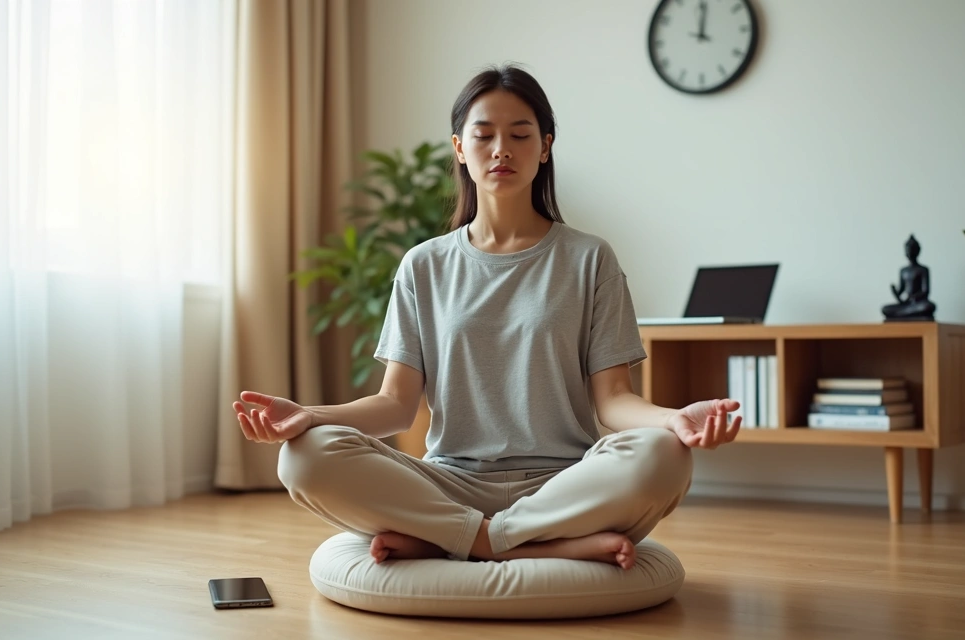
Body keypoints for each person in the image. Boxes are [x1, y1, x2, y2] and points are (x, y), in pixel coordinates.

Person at [232, 64, 741, 571]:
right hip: (448, 483)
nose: (502, 149)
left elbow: (613, 403)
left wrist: (673, 420)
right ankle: (520, 542)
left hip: (564, 483)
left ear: (544, 148)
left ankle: (464, 540)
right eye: (484, 135)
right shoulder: (423, 265)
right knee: (303, 455)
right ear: (460, 149)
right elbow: (394, 407)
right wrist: (310, 416)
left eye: (520, 135)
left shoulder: (590, 259)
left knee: (665, 455)